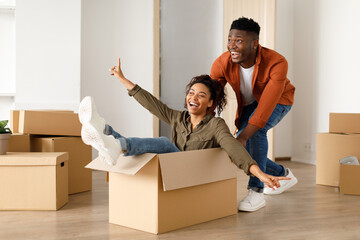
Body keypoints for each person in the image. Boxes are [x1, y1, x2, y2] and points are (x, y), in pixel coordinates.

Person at [79, 58, 291, 207]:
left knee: (163, 142)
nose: (193, 98)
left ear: (210, 103)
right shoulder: (178, 117)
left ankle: (116, 143)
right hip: (171, 171)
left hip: (192, 173)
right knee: (161, 145)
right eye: (191, 93)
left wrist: (260, 174)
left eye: (201, 95)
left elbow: (234, 148)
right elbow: (152, 104)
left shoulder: (216, 124)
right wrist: (121, 78)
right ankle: (104, 130)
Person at [210, 17, 297, 212]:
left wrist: (242, 136)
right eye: (230, 39)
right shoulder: (222, 62)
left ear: (254, 43)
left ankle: (256, 191)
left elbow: (264, 109)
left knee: (254, 133)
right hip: (250, 104)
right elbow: (211, 96)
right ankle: (282, 174)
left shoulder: (277, 62)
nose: (232, 45)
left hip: (279, 100)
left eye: (239, 41)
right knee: (243, 146)